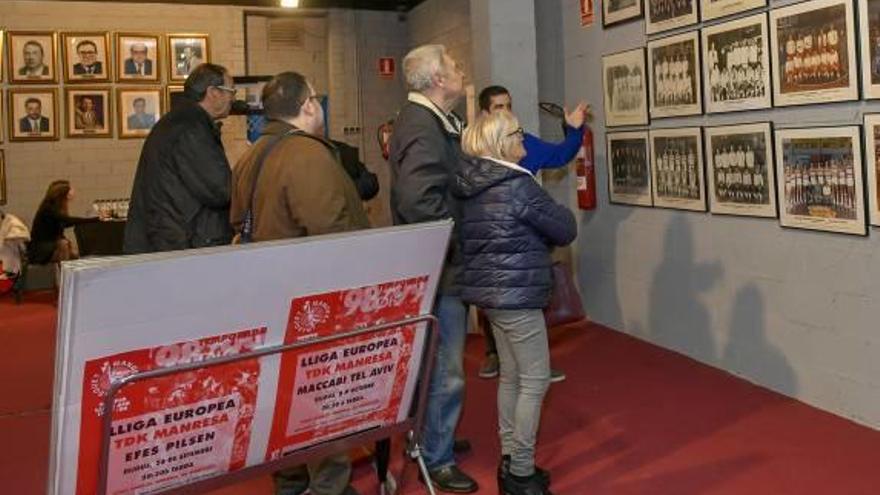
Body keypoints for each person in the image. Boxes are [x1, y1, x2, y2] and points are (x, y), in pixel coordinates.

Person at [231, 72, 367, 495]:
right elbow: (331, 234)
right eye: (317, 101)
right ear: (309, 105)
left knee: (284, 395)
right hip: (313, 300)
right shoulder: (307, 155)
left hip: (268, 294)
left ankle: (290, 478)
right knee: (321, 396)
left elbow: (237, 222)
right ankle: (329, 486)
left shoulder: (251, 155)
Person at [454, 110, 576, 495]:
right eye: (518, 133)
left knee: (512, 377)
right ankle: (520, 471)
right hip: (518, 295)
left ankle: (511, 460)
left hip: (491, 298)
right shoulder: (517, 187)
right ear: (502, 143)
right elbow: (565, 227)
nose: (525, 139)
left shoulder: (471, 186)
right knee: (536, 380)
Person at [388, 44, 478, 493]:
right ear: (438, 80)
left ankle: (430, 439)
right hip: (440, 267)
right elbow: (419, 201)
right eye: (455, 65)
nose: (462, 71)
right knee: (446, 367)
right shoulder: (423, 128)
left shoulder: (428, 121)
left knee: (435, 363)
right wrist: (458, 241)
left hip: (437, 264)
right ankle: (437, 458)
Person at [476, 85, 588, 382]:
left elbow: (560, 154)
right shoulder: (475, 154)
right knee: (495, 305)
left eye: (509, 105)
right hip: (492, 248)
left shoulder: (523, 144)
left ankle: (531, 363)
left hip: (527, 245)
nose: (507, 111)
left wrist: (573, 130)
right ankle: (495, 354)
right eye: (499, 107)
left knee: (530, 304)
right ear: (485, 113)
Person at [124, 63, 235, 254]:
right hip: (182, 243)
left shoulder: (177, 121)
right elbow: (219, 189)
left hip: (168, 238)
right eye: (231, 91)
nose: (233, 98)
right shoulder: (192, 128)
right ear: (213, 92)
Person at [27, 180, 103, 266]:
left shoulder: (54, 207)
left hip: (50, 246)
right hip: (41, 250)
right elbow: (67, 220)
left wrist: (89, 220)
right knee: (64, 245)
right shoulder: (49, 209)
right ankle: (63, 274)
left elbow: (65, 223)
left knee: (76, 255)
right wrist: (92, 220)